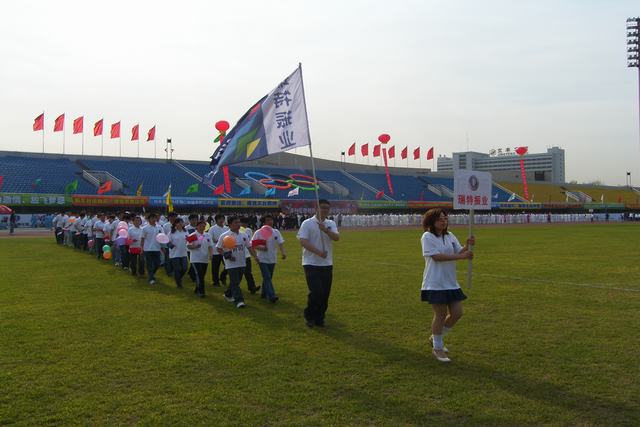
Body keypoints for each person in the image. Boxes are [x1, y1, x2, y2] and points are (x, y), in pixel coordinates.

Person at [420, 208, 474, 363]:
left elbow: (458, 250)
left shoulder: (450, 235)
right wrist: (461, 256)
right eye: (440, 219)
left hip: (450, 282)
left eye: (445, 218)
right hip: (435, 282)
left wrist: (467, 245)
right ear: (431, 221)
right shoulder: (427, 236)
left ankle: (435, 337)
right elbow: (436, 257)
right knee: (441, 315)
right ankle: (437, 348)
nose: (443, 221)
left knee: (457, 313)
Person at [297, 199, 340, 328]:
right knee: (316, 292)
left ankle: (320, 317)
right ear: (317, 208)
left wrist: (325, 230)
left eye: (327, 208)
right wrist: (318, 252)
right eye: (323, 207)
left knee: (325, 294)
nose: (325, 210)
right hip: (310, 262)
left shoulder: (330, 223)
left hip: (326, 264)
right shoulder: (307, 223)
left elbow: (337, 238)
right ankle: (310, 316)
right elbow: (303, 241)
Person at [216, 216, 257, 309]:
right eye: (235, 222)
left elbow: (249, 247)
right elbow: (219, 248)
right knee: (235, 282)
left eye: (239, 222)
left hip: (242, 262)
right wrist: (228, 256)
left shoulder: (244, 235)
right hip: (231, 264)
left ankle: (227, 294)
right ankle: (239, 300)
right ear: (230, 224)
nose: (238, 224)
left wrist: (256, 257)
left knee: (236, 281)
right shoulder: (224, 236)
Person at [252, 214, 286, 303]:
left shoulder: (276, 232)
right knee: (267, 276)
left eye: (271, 220)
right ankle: (272, 295)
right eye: (267, 220)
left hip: (272, 258)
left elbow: (280, 243)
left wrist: (283, 253)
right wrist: (262, 248)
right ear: (263, 222)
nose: (270, 221)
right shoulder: (258, 232)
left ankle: (263, 293)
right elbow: (254, 245)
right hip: (262, 259)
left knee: (268, 277)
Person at [187, 219, 214, 297]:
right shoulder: (192, 235)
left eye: (204, 226)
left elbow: (210, 246)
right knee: (199, 275)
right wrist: (195, 246)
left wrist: (211, 254)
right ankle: (201, 292)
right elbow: (188, 245)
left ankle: (197, 289)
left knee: (202, 275)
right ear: (197, 226)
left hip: (204, 259)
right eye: (201, 226)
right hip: (195, 259)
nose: (203, 227)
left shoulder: (207, 235)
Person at [240, 217, 260, 294]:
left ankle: (252, 288)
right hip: (237, 256)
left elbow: (250, 243)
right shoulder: (235, 231)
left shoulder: (248, 230)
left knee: (248, 272)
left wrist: (255, 255)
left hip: (247, 255)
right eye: (243, 223)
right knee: (238, 275)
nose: (244, 225)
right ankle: (229, 291)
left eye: (246, 223)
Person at [140, 213, 162, 285]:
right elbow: (142, 239)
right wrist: (141, 248)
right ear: (148, 219)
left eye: (154, 218)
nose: (153, 220)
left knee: (157, 263)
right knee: (149, 264)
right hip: (148, 249)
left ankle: (151, 274)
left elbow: (162, 237)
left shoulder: (159, 227)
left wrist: (163, 247)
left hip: (157, 248)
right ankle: (151, 278)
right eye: (151, 218)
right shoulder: (145, 228)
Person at [209, 213, 229, 287]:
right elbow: (210, 239)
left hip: (225, 250)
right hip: (216, 251)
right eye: (219, 219)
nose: (221, 220)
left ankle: (223, 277)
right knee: (215, 268)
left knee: (228, 266)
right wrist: (217, 241)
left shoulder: (226, 228)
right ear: (216, 220)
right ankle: (216, 281)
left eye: (223, 219)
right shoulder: (212, 228)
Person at [168, 217, 188, 288]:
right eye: (178, 223)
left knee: (185, 268)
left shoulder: (185, 232)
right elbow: (168, 242)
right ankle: (179, 283)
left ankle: (178, 278)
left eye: (181, 222)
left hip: (184, 253)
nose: (180, 224)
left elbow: (188, 240)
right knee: (177, 269)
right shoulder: (171, 233)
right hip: (175, 254)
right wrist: (170, 244)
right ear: (175, 224)